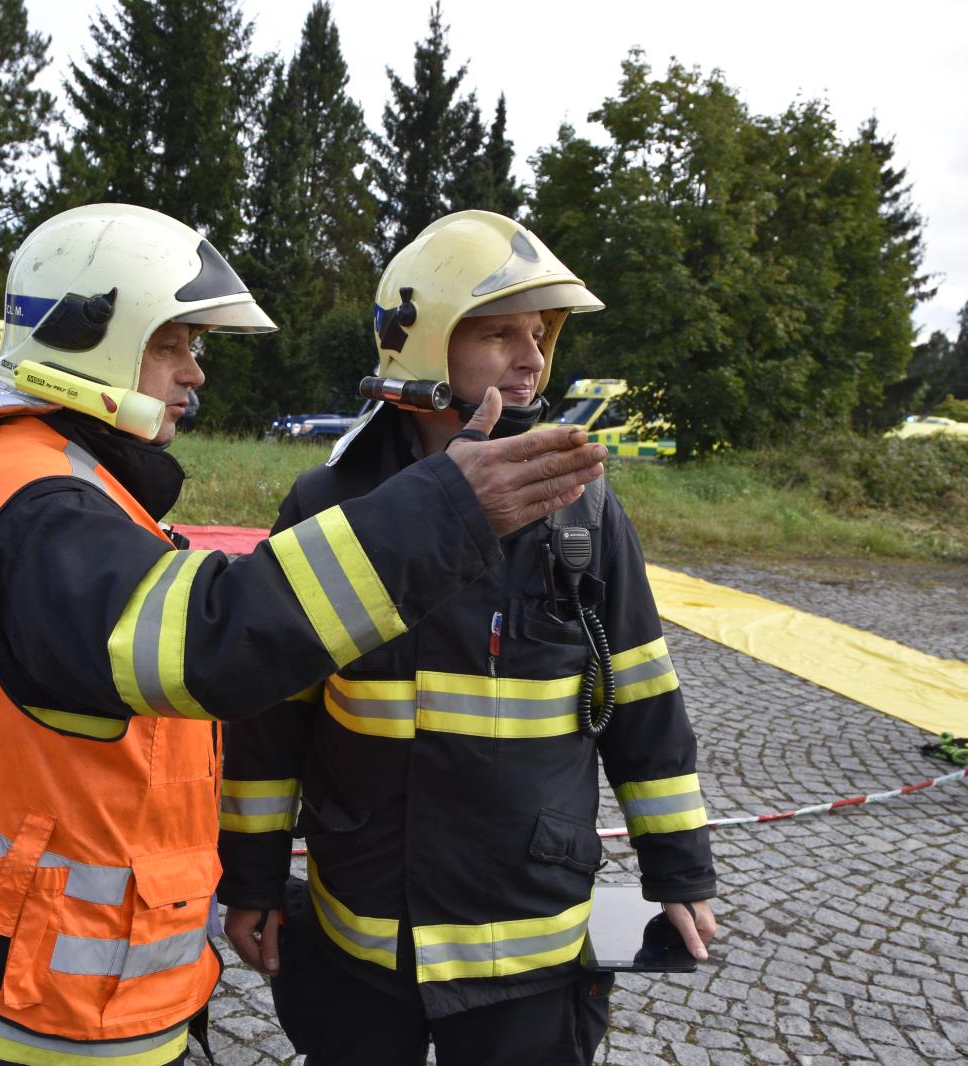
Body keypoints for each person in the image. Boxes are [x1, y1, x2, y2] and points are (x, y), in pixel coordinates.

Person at [0, 203, 609, 1066]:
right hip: (14, 1010)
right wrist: (443, 516)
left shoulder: (41, 478)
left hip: (13, 979)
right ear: (92, 339)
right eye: (173, 345)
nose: (194, 375)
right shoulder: (41, 509)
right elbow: (215, 643)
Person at [218, 210, 719, 1066]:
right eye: (497, 334)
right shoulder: (326, 505)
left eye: (539, 335)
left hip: (527, 944)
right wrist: (256, 878)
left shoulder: (585, 508)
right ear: (422, 346)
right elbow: (273, 714)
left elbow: (641, 698)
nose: (530, 359)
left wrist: (678, 871)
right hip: (364, 933)